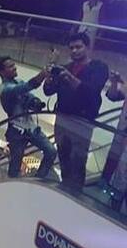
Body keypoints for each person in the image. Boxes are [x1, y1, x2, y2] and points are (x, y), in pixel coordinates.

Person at [43, 33, 109, 192]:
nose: (74, 51)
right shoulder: (66, 67)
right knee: (63, 155)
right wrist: (50, 74)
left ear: (87, 47)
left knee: (78, 158)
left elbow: (90, 93)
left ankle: (76, 192)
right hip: (62, 119)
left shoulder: (98, 68)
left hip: (82, 121)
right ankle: (65, 186)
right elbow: (48, 90)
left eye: (78, 47)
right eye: (71, 48)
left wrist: (69, 78)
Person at [0, 55, 56, 178]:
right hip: (16, 131)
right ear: (2, 72)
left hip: (30, 127)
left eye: (13, 64)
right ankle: (14, 185)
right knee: (15, 166)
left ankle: (39, 178)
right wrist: (42, 74)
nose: (14, 67)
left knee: (51, 151)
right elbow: (26, 87)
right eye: (10, 66)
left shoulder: (18, 81)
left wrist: (35, 102)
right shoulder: (5, 89)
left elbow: (28, 96)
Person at [102, 69, 127, 210]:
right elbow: (112, 96)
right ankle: (114, 205)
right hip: (121, 138)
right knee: (118, 174)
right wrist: (114, 82)